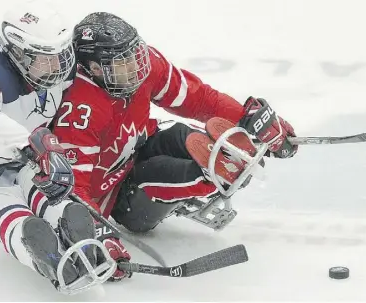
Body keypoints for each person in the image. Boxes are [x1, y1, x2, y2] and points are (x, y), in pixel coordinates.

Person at [51, 12, 299, 282]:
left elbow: (197, 98)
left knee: (183, 135)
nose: (138, 64)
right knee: (167, 173)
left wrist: (247, 118)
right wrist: (97, 236)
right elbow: (73, 190)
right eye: (124, 61)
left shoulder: (142, 64)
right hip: (114, 194)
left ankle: (224, 162)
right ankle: (212, 175)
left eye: (136, 52)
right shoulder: (79, 110)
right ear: (95, 68)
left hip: (139, 144)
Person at [0, 1, 118, 294]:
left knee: (53, 200)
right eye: (47, 57)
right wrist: (31, 143)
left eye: (63, 54)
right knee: (3, 206)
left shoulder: (54, 68)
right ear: (17, 52)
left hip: (28, 160)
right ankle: (40, 253)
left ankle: (79, 237)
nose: (60, 65)